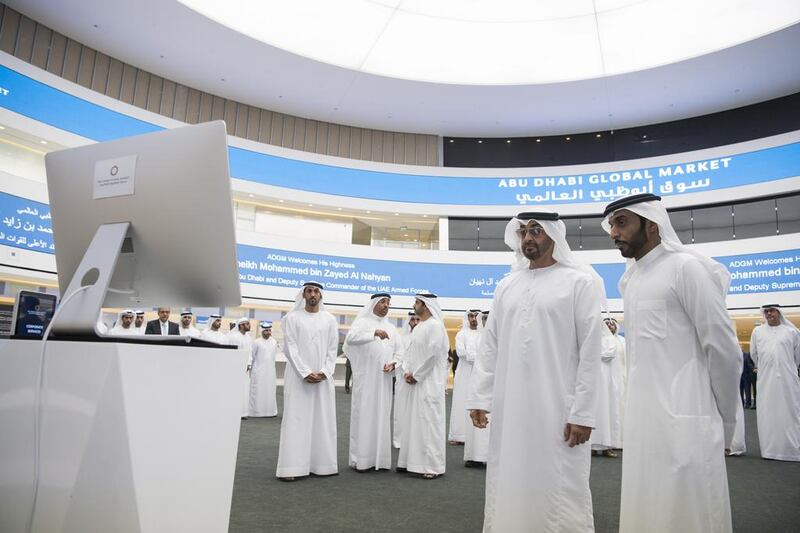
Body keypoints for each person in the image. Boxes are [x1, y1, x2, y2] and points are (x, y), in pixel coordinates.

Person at [602, 193, 741, 533]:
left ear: (651, 225)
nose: (613, 232)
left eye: (622, 222)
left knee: (690, 510)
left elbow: (722, 346)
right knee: (648, 507)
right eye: (611, 225)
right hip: (642, 421)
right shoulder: (630, 280)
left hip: (687, 416)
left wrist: (726, 418)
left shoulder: (687, 268)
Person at [467, 211, 603, 532]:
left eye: (536, 231)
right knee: (510, 474)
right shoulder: (507, 285)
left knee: (559, 482)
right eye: (524, 231)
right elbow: (491, 346)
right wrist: (479, 398)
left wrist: (583, 413)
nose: (528, 238)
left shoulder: (579, 283)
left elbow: (590, 352)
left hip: (558, 408)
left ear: (555, 236)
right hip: (511, 407)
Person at [276, 281, 338, 481]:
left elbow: (332, 348)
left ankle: (322, 466)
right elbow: (290, 348)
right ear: (303, 295)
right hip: (298, 378)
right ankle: (292, 468)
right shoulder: (292, 318)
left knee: (322, 421)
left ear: (321, 296)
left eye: (316, 291)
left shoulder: (329, 319)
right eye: (309, 291)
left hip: (322, 379)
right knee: (296, 420)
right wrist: (305, 372)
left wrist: (325, 372)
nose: (313, 294)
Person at [343, 293, 403, 471]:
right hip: (365, 379)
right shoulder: (362, 323)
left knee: (382, 416)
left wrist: (394, 364)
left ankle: (380, 460)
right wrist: (373, 333)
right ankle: (359, 459)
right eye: (383, 302)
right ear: (374, 304)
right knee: (363, 416)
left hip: (384, 382)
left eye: (388, 303)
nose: (386, 305)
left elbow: (399, 353)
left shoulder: (392, 328)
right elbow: (350, 340)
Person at [397, 293, 450, 479]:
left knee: (429, 424)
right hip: (415, 382)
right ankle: (411, 462)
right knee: (414, 422)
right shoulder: (420, 326)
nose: (414, 304)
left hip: (428, 384)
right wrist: (406, 371)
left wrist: (417, 375)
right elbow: (411, 353)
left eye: (417, 302)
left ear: (426, 305)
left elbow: (433, 355)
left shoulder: (435, 326)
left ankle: (432, 467)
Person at [750, 304, 800, 461]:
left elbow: (797, 357)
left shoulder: (792, 332)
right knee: (768, 412)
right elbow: (754, 354)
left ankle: (791, 450)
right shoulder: (757, 332)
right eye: (766, 311)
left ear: (779, 312)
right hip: (766, 379)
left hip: (788, 379)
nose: (769, 314)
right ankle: (770, 451)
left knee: (790, 412)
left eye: (772, 311)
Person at [591, 318, 623, 457]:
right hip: (595, 381)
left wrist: (594, 354)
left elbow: (609, 354)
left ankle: (607, 446)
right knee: (595, 411)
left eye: (612, 323)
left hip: (611, 382)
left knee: (609, 411)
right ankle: (592, 445)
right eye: (606, 323)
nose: (609, 326)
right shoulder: (593, 338)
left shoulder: (615, 341)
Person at [449, 309, 481, 445]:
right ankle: (459, 435)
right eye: (471, 316)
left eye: (475, 316)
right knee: (461, 401)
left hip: (479, 372)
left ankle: (477, 435)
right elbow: (462, 352)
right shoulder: (461, 334)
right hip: (464, 373)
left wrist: (476, 357)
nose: (473, 319)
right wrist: (479, 357)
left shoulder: (484, 335)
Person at [464, 310, 489, 467]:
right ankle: (475, 457)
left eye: (488, 318)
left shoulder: (499, 337)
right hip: (476, 380)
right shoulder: (476, 337)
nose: (486, 321)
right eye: (484, 318)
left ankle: (488, 457)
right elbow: (471, 356)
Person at [393, 311, 418, 449]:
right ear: (408, 321)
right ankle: (400, 440)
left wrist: (415, 374)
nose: (415, 322)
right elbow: (398, 356)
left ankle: (414, 440)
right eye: (412, 319)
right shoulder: (402, 337)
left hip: (418, 378)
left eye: (417, 319)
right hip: (403, 378)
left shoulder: (423, 336)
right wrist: (405, 372)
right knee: (401, 409)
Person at [249, 321, 279, 418]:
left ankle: (270, 412)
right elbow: (253, 356)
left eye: (269, 330)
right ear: (262, 331)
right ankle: (256, 412)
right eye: (266, 330)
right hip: (259, 370)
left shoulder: (274, 342)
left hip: (270, 371)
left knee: (269, 390)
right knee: (258, 390)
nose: (268, 332)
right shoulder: (256, 342)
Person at [228, 317, 255, 419]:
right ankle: (234, 412)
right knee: (235, 390)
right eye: (247, 324)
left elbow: (250, 352)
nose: (249, 325)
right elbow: (232, 353)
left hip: (246, 368)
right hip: (236, 368)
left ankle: (243, 413)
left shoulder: (248, 337)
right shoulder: (234, 337)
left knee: (245, 389)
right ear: (241, 325)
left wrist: (249, 363)